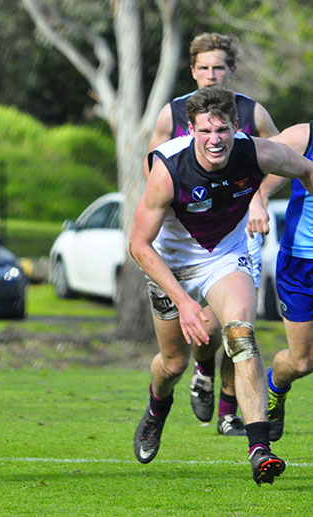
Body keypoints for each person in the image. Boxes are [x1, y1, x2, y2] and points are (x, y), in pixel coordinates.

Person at [130, 86, 313, 485]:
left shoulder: (255, 151)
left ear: (235, 127)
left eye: (224, 130)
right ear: (191, 130)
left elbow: (306, 168)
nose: (216, 140)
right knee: (173, 363)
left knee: (241, 336)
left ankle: (259, 449)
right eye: (206, 131)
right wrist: (184, 302)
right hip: (171, 264)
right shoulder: (168, 169)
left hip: (223, 257)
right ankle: (157, 407)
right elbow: (138, 245)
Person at [147, 32, 280, 436]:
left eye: (218, 67)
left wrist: (257, 196)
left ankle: (228, 415)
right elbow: (151, 166)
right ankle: (199, 371)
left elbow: (278, 157)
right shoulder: (173, 114)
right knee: (188, 345)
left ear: (231, 70)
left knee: (238, 329)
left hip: (233, 239)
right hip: (181, 243)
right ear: (192, 71)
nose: (210, 75)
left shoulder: (252, 112)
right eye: (203, 68)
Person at [248, 123, 313, 444]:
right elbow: (248, 161)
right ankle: (276, 384)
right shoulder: (304, 136)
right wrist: (256, 199)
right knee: (302, 361)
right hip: (302, 264)